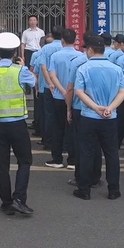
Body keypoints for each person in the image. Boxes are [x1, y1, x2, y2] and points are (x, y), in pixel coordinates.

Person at [0, 33, 36, 216]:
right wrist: (24, 67)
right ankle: (19, 198)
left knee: (1, 164)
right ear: (15, 52)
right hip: (17, 122)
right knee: (25, 160)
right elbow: (33, 82)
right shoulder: (20, 71)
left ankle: (6, 202)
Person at [72, 34, 124, 201]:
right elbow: (122, 91)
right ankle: (114, 189)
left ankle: (84, 189)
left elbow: (79, 92)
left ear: (90, 50)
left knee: (87, 152)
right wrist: (110, 108)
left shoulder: (83, 68)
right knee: (111, 154)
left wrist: (95, 107)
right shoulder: (116, 68)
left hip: (89, 116)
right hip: (109, 117)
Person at [44, 28, 86, 169]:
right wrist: (68, 92)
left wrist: (61, 90)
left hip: (58, 96)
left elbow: (52, 76)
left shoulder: (55, 56)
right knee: (73, 129)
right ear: (76, 41)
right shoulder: (81, 56)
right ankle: (73, 160)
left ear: (62, 40)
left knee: (58, 129)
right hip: (75, 98)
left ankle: (57, 159)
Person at [34, 27, 63, 149]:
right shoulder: (66, 48)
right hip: (64, 88)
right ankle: (64, 143)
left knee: (49, 115)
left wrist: (49, 82)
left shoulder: (45, 49)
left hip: (47, 86)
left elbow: (43, 67)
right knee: (63, 116)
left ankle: (49, 141)